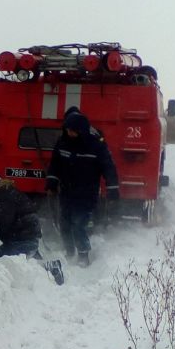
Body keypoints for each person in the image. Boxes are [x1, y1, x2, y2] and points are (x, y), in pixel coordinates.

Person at [45, 110, 119, 267]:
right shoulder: (62, 142)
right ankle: (69, 251)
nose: (69, 133)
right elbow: (55, 164)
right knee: (64, 223)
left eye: (72, 130)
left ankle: (83, 255)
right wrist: (52, 182)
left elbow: (108, 167)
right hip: (67, 191)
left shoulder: (96, 145)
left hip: (87, 193)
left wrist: (112, 188)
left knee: (79, 224)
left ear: (80, 130)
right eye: (67, 130)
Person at [0, 173, 42, 258]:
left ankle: (44, 266)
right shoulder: (8, 192)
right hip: (28, 237)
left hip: (23, 240)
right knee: (2, 255)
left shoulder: (2, 197)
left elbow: (2, 223)